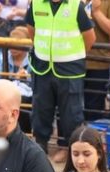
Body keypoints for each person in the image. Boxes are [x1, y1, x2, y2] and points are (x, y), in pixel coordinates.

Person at [25, 0, 95, 153]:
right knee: (41, 111)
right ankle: (40, 148)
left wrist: (74, 55)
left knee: (72, 115)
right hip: (42, 69)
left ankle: (73, 152)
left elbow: (89, 37)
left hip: (70, 71)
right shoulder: (36, 3)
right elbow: (31, 29)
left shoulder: (76, 5)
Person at [83, 0, 110, 121]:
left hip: (98, 64)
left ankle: (90, 139)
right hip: (71, 62)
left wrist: (96, 12)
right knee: (68, 109)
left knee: (93, 112)